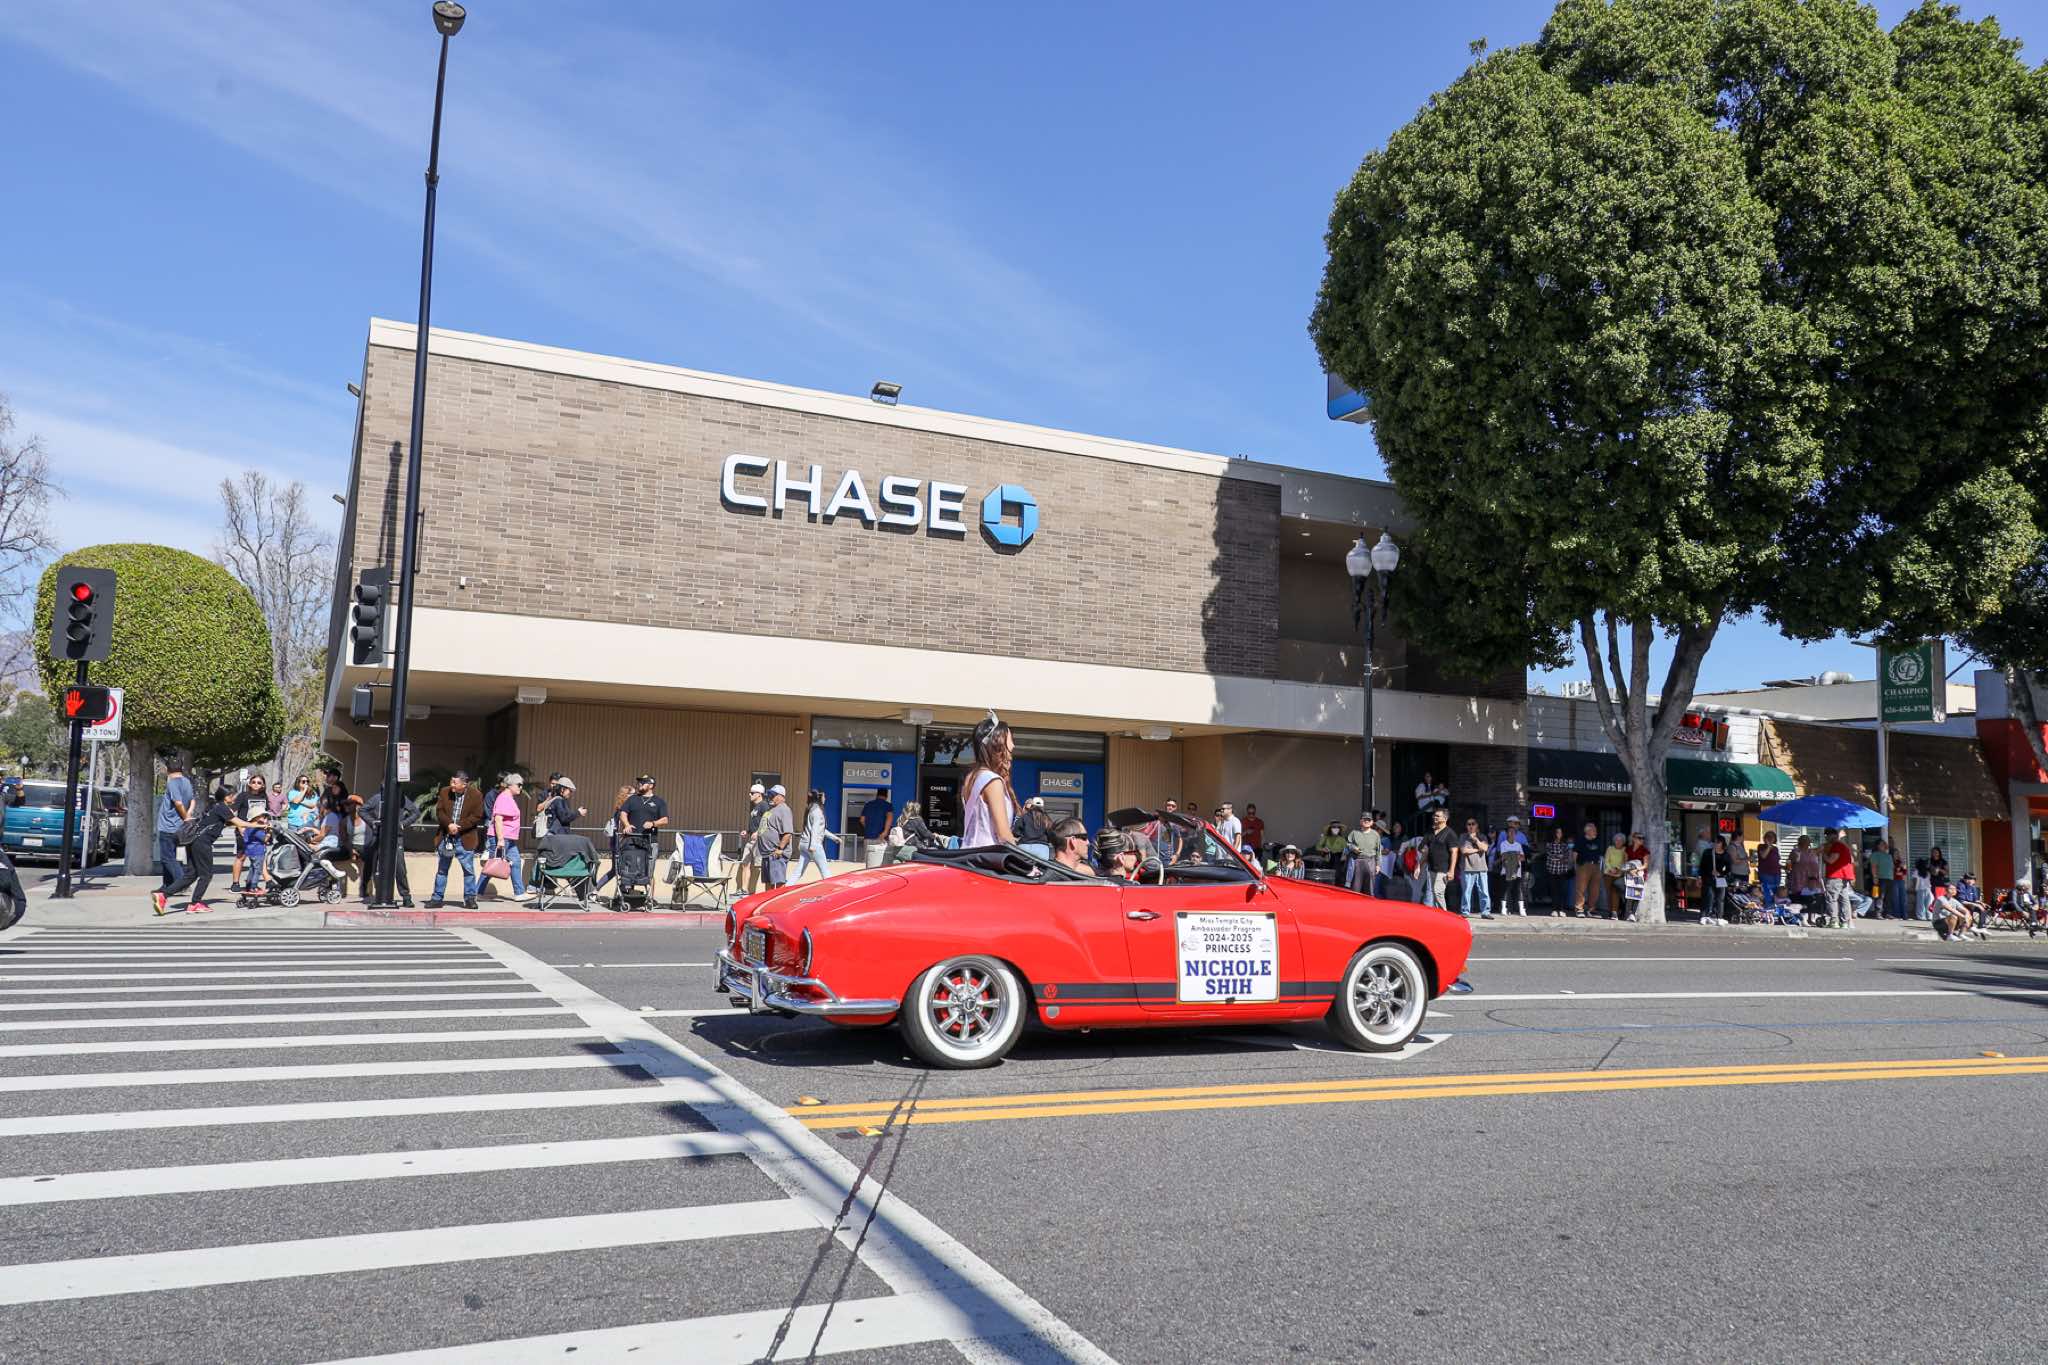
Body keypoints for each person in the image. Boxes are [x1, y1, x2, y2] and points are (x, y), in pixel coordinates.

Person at [154, 782, 262, 914]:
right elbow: (237, 822)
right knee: (206, 875)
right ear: (227, 796)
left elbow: (223, 823)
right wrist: (257, 825)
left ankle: (163, 895)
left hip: (193, 841)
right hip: (202, 843)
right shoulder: (222, 807)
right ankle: (195, 903)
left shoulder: (214, 806)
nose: (235, 797)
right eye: (233, 795)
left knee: (191, 875)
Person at [423, 771, 486, 909]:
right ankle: (437, 898)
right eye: (451, 781)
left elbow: (477, 816)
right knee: (442, 870)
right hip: (446, 837)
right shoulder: (445, 792)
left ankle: (469, 899)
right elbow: (440, 811)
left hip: (465, 837)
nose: (451, 784)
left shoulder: (476, 795)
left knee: (468, 870)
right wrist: (449, 824)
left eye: (455, 783)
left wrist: (459, 827)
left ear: (464, 784)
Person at [960, 716, 1018, 848]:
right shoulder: (993, 781)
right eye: (1010, 739)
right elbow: (1004, 836)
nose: (1013, 745)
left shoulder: (971, 778)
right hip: (988, 855)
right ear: (999, 743)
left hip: (970, 852)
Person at [474, 773, 532, 903]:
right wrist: (500, 839)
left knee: (515, 862)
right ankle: (476, 892)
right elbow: (498, 819)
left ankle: (519, 893)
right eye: (519, 785)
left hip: (507, 838)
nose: (521, 787)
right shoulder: (504, 798)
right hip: (502, 838)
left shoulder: (508, 798)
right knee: (492, 864)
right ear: (510, 785)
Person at [357, 785, 415, 907]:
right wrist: (373, 822)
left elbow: (415, 812)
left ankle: (406, 896)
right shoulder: (377, 798)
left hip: (396, 836)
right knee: (373, 863)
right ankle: (373, 893)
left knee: (399, 867)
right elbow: (362, 810)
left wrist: (403, 824)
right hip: (379, 835)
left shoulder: (401, 799)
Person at [156, 753, 197, 898]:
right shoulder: (186, 782)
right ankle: (167, 885)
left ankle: (181, 884)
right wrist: (189, 814)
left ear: (167, 769)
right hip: (179, 826)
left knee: (167, 858)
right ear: (181, 767)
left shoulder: (172, 782)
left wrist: (186, 817)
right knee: (169, 857)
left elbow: (178, 803)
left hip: (169, 826)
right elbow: (192, 801)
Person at [592, 783, 636, 891]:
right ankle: (595, 890)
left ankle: (596, 889)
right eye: (633, 794)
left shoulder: (620, 810)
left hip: (616, 843)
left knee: (616, 870)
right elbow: (621, 828)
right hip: (620, 844)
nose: (635, 796)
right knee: (620, 870)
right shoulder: (623, 811)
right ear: (626, 795)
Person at [230, 773, 269, 890]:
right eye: (253, 782)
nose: (256, 784)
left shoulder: (264, 797)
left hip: (259, 831)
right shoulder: (243, 796)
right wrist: (239, 826)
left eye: (259, 783)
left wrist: (266, 826)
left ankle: (257, 882)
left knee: (259, 856)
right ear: (250, 784)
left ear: (263, 785)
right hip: (244, 830)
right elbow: (232, 812)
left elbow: (266, 813)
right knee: (241, 856)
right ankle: (235, 883)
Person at [754, 784, 795, 888]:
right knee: (768, 883)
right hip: (766, 854)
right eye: (769, 794)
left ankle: (780, 899)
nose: (770, 797)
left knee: (779, 882)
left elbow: (788, 833)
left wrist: (780, 848)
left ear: (781, 796)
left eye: (773, 795)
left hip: (776, 854)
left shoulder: (784, 810)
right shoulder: (771, 810)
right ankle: (768, 899)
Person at [799, 788, 842, 882]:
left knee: (798, 872)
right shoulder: (817, 811)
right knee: (825, 871)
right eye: (824, 796)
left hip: (803, 843)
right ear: (820, 797)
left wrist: (834, 838)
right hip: (814, 845)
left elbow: (820, 829)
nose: (825, 799)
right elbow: (815, 829)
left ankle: (787, 887)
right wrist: (813, 845)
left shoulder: (810, 809)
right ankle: (830, 888)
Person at [1454, 816, 1493, 919]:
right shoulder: (1463, 836)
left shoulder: (1482, 836)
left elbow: (1485, 848)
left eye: (1473, 824)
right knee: (1466, 891)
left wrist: (1475, 840)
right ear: (1466, 826)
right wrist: (1477, 850)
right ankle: (1465, 911)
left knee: (1484, 891)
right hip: (1467, 868)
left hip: (1481, 868)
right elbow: (1464, 851)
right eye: (1469, 824)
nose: (1471, 826)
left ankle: (1485, 912)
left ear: (1477, 826)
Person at [1821, 828, 1857, 930]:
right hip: (1845, 876)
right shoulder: (1844, 846)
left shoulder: (1837, 846)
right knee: (1844, 899)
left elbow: (1831, 860)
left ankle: (1834, 921)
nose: (1826, 839)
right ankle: (1844, 922)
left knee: (1832, 898)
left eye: (1826, 836)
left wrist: (1823, 854)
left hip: (1835, 876)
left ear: (1829, 835)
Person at [1493, 816, 1528, 917]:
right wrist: (1515, 855)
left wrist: (1511, 855)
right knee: (1506, 889)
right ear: (1507, 833)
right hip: (1506, 870)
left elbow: (1522, 857)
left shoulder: (1518, 845)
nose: (1512, 834)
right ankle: (1504, 908)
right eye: (1510, 832)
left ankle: (1521, 909)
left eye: (1514, 832)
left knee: (1518, 889)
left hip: (1517, 870)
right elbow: (1503, 856)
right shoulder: (1503, 844)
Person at [1422, 808, 1457, 910]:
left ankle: (1444, 915)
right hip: (1431, 868)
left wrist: (1451, 870)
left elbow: (1454, 852)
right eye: (1434, 815)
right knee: (1433, 893)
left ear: (1445, 818)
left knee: (1438, 892)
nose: (1435, 817)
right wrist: (1419, 865)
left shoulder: (1450, 833)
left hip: (1443, 869)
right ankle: (1438, 915)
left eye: (1438, 816)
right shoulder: (1431, 832)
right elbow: (1425, 849)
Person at [1570, 821, 1603, 917]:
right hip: (1583, 866)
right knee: (1581, 889)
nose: (1596, 832)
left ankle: (1591, 910)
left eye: (1595, 830)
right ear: (1588, 831)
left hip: (1596, 866)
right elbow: (1574, 854)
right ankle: (1579, 909)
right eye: (1594, 830)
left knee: (1595, 889)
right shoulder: (1580, 840)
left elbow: (1600, 854)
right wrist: (1576, 866)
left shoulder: (1597, 841)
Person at [739, 782, 767, 894]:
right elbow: (755, 823)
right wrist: (748, 831)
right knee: (745, 863)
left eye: (752, 793)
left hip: (759, 841)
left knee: (758, 866)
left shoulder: (764, 805)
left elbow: (768, 821)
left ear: (759, 794)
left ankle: (760, 892)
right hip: (751, 840)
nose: (749, 794)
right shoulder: (755, 807)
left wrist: (759, 832)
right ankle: (744, 889)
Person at [1345, 813, 1383, 894]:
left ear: (1372, 822)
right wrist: (1353, 848)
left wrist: (1378, 865)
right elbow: (1347, 844)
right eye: (1364, 819)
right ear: (1360, 821)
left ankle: (1369, 902)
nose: (1366, 821)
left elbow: (1378, 851)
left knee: (1370, 889)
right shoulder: (1354, 833)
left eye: (1369, 820)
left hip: (1371, 861)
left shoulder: (1376, 835)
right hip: (1357, 860)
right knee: (1355, 888)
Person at [1699, 834, 1731, 925]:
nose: (1716, 844)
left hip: (1721, 879)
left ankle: (1719, 917)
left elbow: (1729, 869)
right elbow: (1702, 866)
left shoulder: (1726, 855)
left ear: (1722, 844)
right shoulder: (1707, 852)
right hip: (1708, 878)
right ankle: (1704, 916)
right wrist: (1700, 877)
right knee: (1708, 896)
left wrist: (1720, 873)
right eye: (1715, 842)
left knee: (1720, 898)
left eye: (1718, 842)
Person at [541, 777, 585, 843]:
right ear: (562, 789)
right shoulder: (558, 801)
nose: (570, 793)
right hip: (557, 836)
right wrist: (578, 812)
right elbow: (564, 817)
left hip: (556, 836)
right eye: (570, 791)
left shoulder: (558, 800)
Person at [859, 787, 895, 868]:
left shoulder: (868, 805)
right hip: (881, 838)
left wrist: (868, 828)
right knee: (880, 863)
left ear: (877, 794)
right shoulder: (888, 805)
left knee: (867, 862)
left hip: (868, 837)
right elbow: (889, 818)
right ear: (886, 796)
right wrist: (885, 832)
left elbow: (862, 820)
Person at [1542, 826, 1574, 916]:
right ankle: (1554, 909)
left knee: (1562, 890)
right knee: (1554, 890)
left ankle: (1561, 909)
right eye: (1558, 832)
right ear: (1554, 834)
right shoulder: (1549, 845)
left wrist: (1558, 857)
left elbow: (1566, 857)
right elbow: (1550, 856)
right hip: (1552, 870)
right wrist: (1559, 857)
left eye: (1561, 832)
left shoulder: (1564, 845)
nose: (1560, 834)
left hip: (1562, 870)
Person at [1868, 837, 1896, 917]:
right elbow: (1874, 866)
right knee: (1880, 896)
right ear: (1878, 846)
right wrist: (1875, 876)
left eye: (1885, 844)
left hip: (1890, 878)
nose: (1885, 845)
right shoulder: (1875, 854)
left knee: (1889, 897)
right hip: (1881, 878)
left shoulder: (1889, 856)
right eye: (1882, 844)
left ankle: (1887, 913)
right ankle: (1878, 913)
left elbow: (1892, 867)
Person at [1758, 830, 1783, 909]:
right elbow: (1763, 856)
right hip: (1766, 873)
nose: (1770, 838)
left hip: (1776, 873)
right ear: (1765, 838)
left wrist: (1783, 867)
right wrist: (1768, 846)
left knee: (1776, 892)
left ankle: (1775, 909)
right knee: (1767, 892)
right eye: (1768, 837)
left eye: (1772, 837)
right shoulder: (1761, 846)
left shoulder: (1775, 848)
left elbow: (1776, 861)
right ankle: (1768, 908)